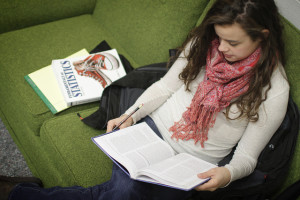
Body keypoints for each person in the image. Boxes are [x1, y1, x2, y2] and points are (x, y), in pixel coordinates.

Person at [0, 0, 289, 199]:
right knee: (125, 194)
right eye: (219, 37)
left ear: (262, 36)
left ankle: (18, 193)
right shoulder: (205, 44)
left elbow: (247, 158)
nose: (222, 48)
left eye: (233, 43)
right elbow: (164, 88)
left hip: (191, 165)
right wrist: (131, 116)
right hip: (149, 133)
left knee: (120, 195)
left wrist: (225, 175)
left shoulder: (274, 89)